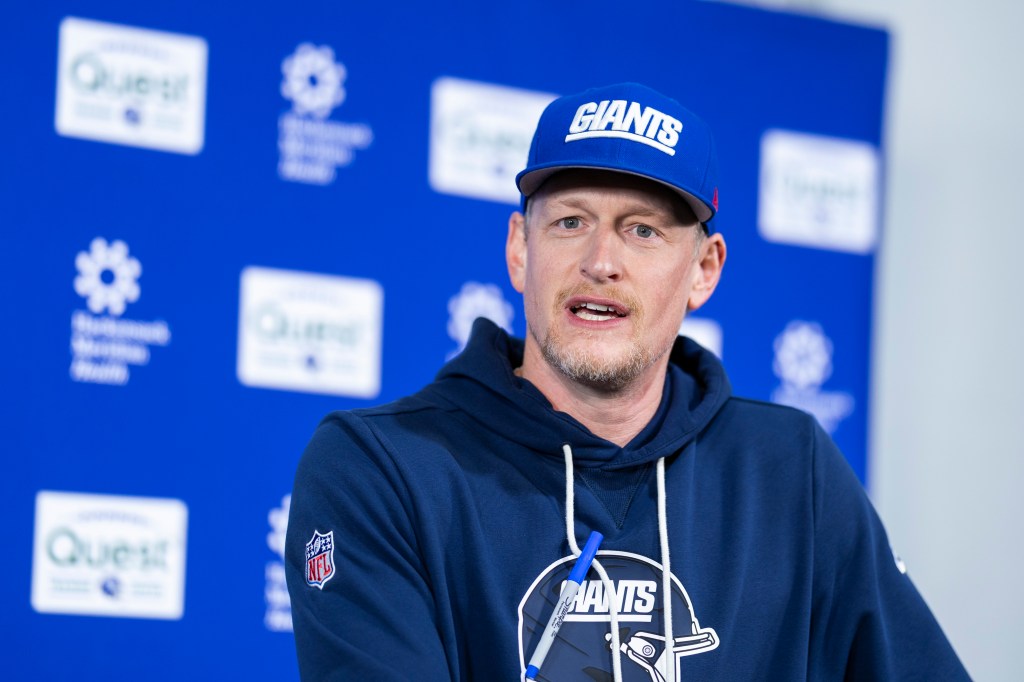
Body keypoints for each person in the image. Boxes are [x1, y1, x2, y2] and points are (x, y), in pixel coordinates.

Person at [285, 82, 970, 681]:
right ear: (521, 250)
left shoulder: (791, 469)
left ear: (704, 270)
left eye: (642, 231)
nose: (600, 261)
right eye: (571, 221)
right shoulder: (381, 467)